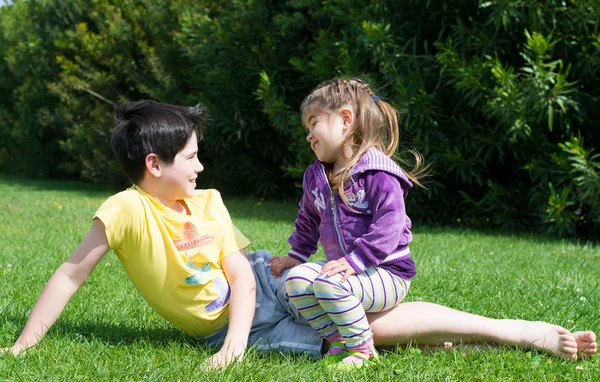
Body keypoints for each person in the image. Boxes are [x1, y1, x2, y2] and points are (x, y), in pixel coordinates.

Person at [0, 100, 596, 369]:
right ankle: (487, 339)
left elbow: (240, 275)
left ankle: (521, 333)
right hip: (243, 319)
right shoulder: (125, 211)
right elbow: (71, 273)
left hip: (260, 290)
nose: (201, 167)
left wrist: (233, 348)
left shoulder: (207, 200)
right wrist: (24, 346)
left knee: (366, 327)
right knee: (374, 333)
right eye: (191, 157)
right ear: (154, 165)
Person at [268, 78, 426, 367]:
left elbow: (390, 224)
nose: (308, 136)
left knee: (329, 285)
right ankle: (340, 342)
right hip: (349, 273)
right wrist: (296, 257)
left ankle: (363, 350)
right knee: (297, 282)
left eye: (313, 123)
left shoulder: (377, 173)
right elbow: (308, 219)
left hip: (387, 272)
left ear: (345, 120)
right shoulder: (316, 177)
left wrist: (356, 261)